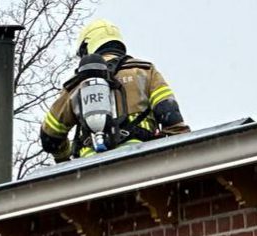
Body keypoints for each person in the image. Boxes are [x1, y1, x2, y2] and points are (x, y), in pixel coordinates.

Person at [39, 19, 189, 161]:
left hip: (91, 169)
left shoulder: (76, 85)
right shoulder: (143, 70)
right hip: (143, 158)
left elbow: (50, 137)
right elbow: (170, 114)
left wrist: (64, 159)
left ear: (86, 48)